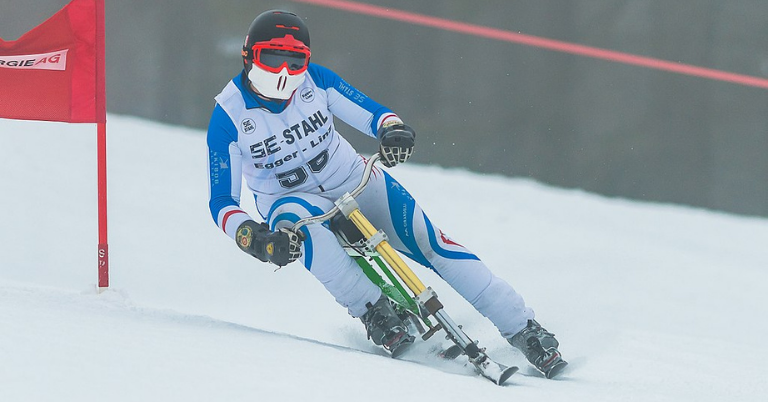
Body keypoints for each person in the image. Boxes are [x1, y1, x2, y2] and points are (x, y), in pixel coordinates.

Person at [206, 9, 567, 378]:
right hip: (294, 202)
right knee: (300, 227)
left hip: (352, 177)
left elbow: (374, 114)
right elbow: (221, 202)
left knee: (433, 243)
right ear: (249, 56)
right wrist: (253, 238)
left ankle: (523, 328)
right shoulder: (229, 116)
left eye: (295, 60)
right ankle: (373, 309)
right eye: (272, 58)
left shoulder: (316, 81)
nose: (284, 73)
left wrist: (393, 132)